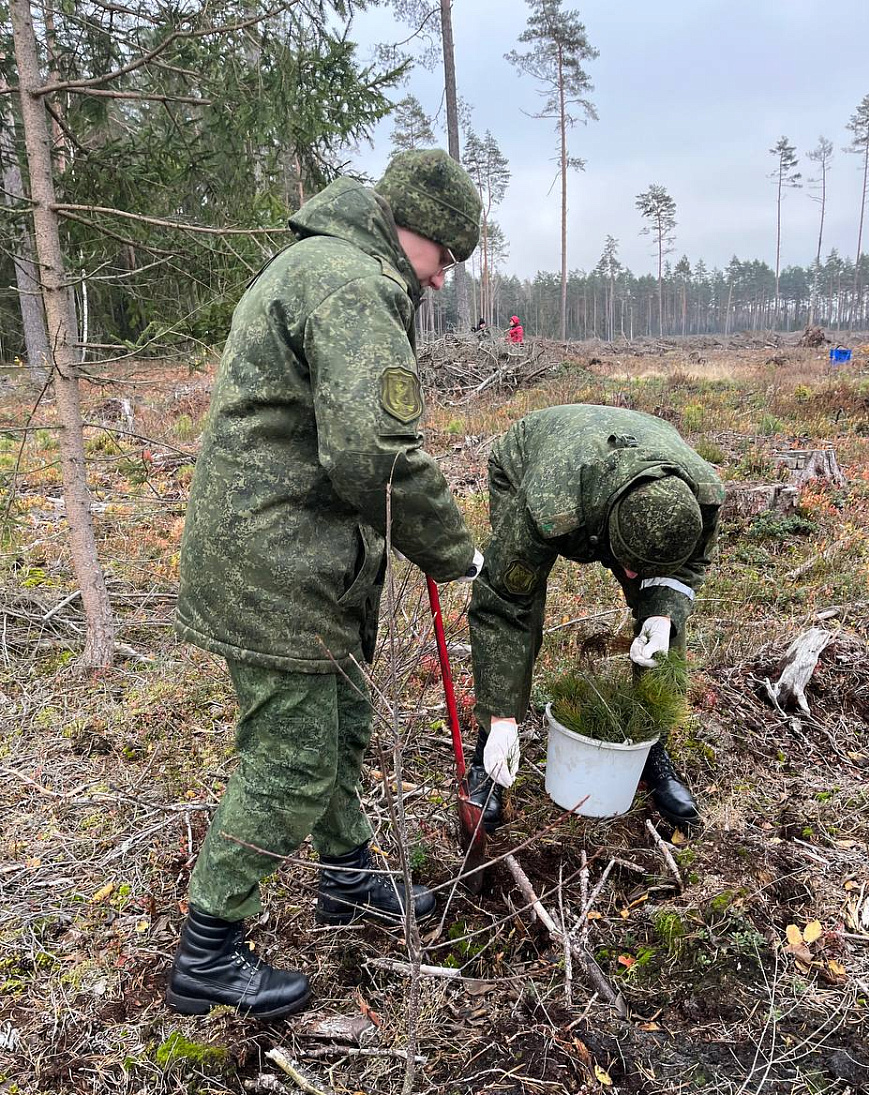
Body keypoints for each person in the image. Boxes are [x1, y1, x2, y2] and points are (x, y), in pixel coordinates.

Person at [167, 149, 483, 1019]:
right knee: (292, 760)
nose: (442, 277)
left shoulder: (327, 263)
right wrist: (455, 550)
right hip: (277, 566)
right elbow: (371, 453)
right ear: (413, 228)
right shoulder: (352, 284)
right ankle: (206, 952)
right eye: (445, 256)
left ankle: (345, 880)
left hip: (290, 554)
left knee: (341, 723)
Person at [465, 403, 725, 835]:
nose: (630, 578)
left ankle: (651, 750)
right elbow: (503, 603)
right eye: (628, 565)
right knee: (521, 595)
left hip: (629, 456)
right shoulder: (550, 503)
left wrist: (661, 615)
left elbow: (686, 568)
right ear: (604, 529)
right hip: (535, 461)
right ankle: (487, 752)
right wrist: (502, 719)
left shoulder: (701, 501)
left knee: (665, 634)